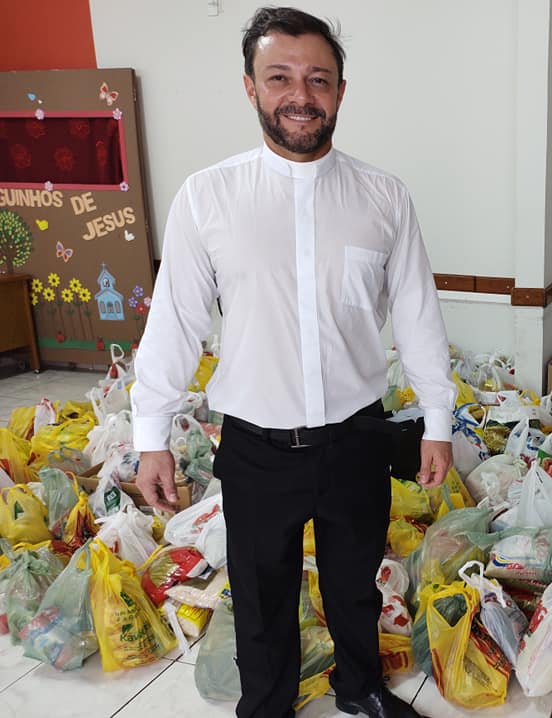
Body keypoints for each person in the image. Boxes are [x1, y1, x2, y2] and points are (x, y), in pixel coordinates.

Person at [131, 7, 454, 718]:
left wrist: (437, 420)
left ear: (340, 91)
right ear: (250, 86)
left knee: (354, 583)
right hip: (255, 445)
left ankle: (360, 687)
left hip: (357, 436)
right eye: (280, 77)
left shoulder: (383, 197)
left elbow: (417, 316)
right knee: (260, 589)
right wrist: (149, 437)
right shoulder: (208, 196)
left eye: (318, 79)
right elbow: (177, 320)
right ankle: (268, 704)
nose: (299, 94)